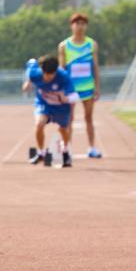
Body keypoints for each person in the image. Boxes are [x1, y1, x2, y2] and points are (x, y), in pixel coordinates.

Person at [58, 12, 102, 158]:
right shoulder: (64, 46)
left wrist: (97, 87)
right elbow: (62, 69)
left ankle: (91, 148)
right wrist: (62, 90)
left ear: (86, 26)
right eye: (77, 23)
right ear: (72, 26)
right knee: (69, 119)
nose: (80, 27)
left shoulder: (91, 44)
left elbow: (95, 66)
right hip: (71, 88)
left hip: (88, 87)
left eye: (83, 24)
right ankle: (67, 149)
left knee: (88, 117)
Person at [23, 57, 79, 168]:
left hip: (61, 107)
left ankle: (65, 150)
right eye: (45, 74)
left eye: (51, 75)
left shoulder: (63, 76)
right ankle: (41, 152)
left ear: (55, 72)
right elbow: (31, 61)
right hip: (44, 103)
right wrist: (28, 81)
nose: (47, 78)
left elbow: (76, 96)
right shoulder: (34, 73)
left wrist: (66, 99)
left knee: (63, 129)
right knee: (39, 124)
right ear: (42, 70)